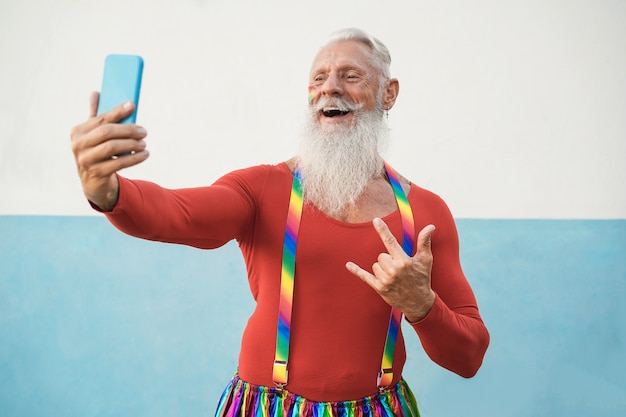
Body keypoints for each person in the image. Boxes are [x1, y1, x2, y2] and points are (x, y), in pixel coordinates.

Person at [70, 28, 489, 417]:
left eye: (351, 75)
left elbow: (468, 356)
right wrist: (108, 192)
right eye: (319, 78)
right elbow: (176, 214)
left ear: (388, 93)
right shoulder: (261, 188)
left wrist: (422, 306)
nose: (330, 87)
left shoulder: (427, 214)